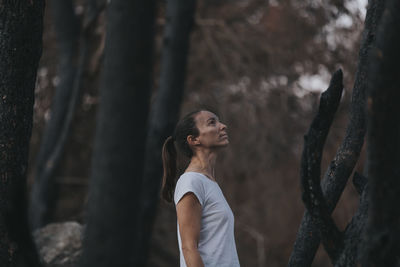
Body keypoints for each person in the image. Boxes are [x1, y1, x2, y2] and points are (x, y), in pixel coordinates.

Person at [161, 109, 240, 267]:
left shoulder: (209, 183)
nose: (222, 126)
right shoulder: (191, 181)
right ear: (194, 139)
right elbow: (189, 248)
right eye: (212, 123)